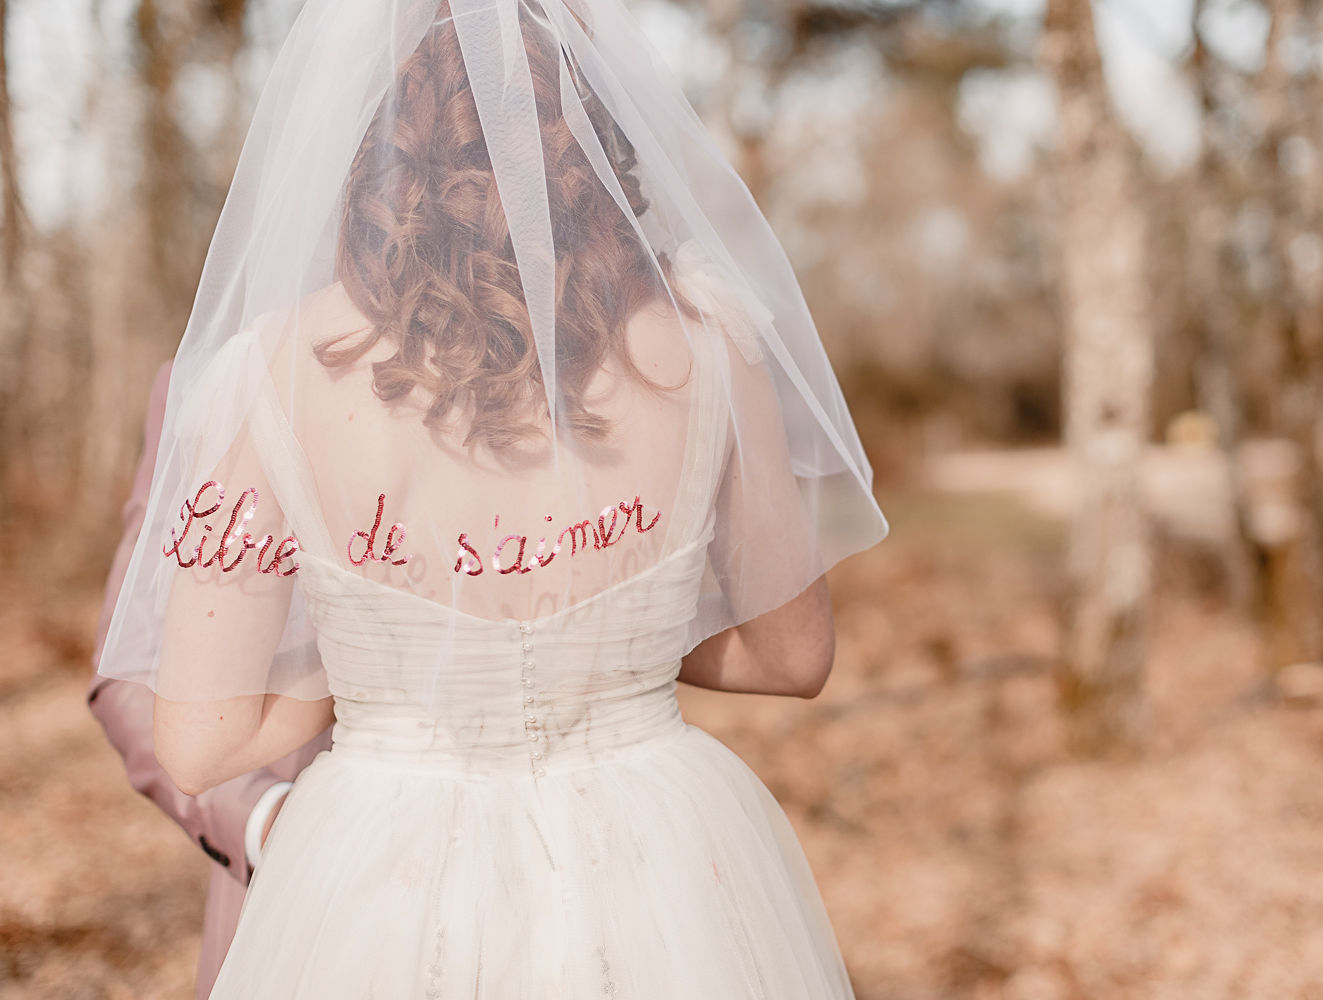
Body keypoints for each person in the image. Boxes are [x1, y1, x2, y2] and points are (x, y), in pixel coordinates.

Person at [95, 1, 888, 996]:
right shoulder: (711, 341)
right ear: (597, 146)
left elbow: (199, 738)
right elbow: (793, 652)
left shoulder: (272, 375)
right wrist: (606, 643)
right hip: (656, 851)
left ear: (368, 152)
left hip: (382, 865)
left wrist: (388, 650)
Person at [88, 361, 329, 1000]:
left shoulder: (584, 348)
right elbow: (131, 664)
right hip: (295, 883)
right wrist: (262, 815)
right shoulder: (224, 374)